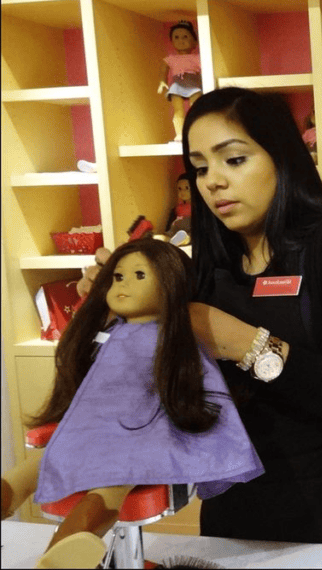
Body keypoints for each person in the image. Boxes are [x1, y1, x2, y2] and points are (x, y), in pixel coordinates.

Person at [79, 87, 322, 548]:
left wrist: (243, 343)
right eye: (199, 167)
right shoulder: (203, 268)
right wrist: (112, 309)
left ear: (281, 157)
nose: (213, 181)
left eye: (233, 159)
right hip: (235, 513)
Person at [2, 239, 262, 568]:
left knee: (111, 484)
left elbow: (198, 393)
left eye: (139, 275)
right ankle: (12, 495)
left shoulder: (174, 339)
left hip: (142, 437)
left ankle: (64, 551)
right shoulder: (112, 334)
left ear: (171, 283)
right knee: (35, 465)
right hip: (96, 432)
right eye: (118, 277)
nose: (123, 286)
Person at [158, 20, 203, 141]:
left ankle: (195, 132)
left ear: (194, 42)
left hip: (194, 84)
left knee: (196, 109)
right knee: (178, 111)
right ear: (171, 41)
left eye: (185, 37)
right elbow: (163, 72)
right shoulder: (170, 59)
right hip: (177, 85)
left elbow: (205, 70)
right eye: (176, 37)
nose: (180, 40)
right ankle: (180, 134)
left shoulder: (198, 57)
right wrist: (162, 82)